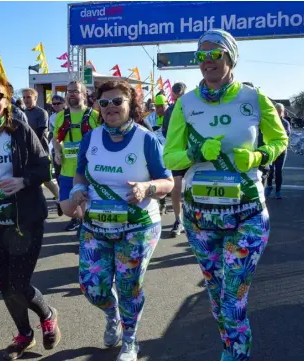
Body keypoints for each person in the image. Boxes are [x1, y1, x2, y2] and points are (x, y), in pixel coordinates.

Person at [163, 29, 288, 361]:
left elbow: (280, 140)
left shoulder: (253, 98)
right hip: (200, 218)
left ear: (230, 57)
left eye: (215, 54)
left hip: (246, 215)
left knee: (233, 298)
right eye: (201, 56)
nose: (207, 61)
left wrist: (260, 156)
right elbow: (170, 158)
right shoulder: (185, 104)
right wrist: (196, 151)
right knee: (218, 298)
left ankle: (236, 356)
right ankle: (230, 348)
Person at [70, 80, 174, 361]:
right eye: (104, 103)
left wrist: (146, 188)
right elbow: (80, 173)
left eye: (118, 102)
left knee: (129, 286)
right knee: (92, 288)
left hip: (138, 225)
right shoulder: (90, 138)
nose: (111, 107)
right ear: (98, 107)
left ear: (131, 105)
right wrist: (77, 190)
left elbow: (168, 181)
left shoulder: (145, 139)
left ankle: (130, 341)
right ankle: (111, 313)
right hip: (95, 225)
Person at [0, 74, 61, 360]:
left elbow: (44, 168)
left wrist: (23, 181)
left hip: (23, 219)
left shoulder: (19, 131)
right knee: (4, 284)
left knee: (19, 282)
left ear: (6, 101)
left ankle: (47, 313)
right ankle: (24, 334)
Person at [53, 81, 100, 231]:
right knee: (66, 207)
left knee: (87, 205)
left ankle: (87, 229)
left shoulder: (95, 116)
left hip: (88, 172)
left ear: (84, 94)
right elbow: (56, 139)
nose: (72, 94)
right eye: (69, 91)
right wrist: (58, 152)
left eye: (76, 91)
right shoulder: (60, 116)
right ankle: (83, 220)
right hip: (67, 171)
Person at [22, 88, 61, 215]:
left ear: (35, 98)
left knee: (47, 179)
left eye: (28, 97)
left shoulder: (42, 113)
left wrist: (29, 145)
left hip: (41, 152)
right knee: (29, 180)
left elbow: (40, 133)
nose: (26, 100)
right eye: (24, 97)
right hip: (26, 154)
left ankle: (59, 199)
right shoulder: (22, 113)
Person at [162, 82, 188, 237]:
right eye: (175, 97)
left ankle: (193, 218)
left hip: (194, 154)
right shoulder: (170, 111)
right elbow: (165, 131)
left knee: (193, 188)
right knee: (176, 188)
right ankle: (178, 220)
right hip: (178, 154)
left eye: (180, 97)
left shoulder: (194, 107)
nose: (177, 100)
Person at [265, 103, 292, 200]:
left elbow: (287, 134)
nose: (279, 113)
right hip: (271, 150)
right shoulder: (269, 121)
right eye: (277, 111)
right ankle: (269, 186)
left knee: (278, 171)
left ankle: (278, 191)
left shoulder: (285, 123)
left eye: (280, 111)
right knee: (270, 170)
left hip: (281, 151)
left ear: (283, 112)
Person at [49, 95, 65, 183]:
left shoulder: (69, 114)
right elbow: (51, 133)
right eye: (53, 104)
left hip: (68, 146)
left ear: (63, 104)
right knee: (58, 171)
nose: (55, 105)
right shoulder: (51, 117)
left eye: (58, 103)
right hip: (57, 146)